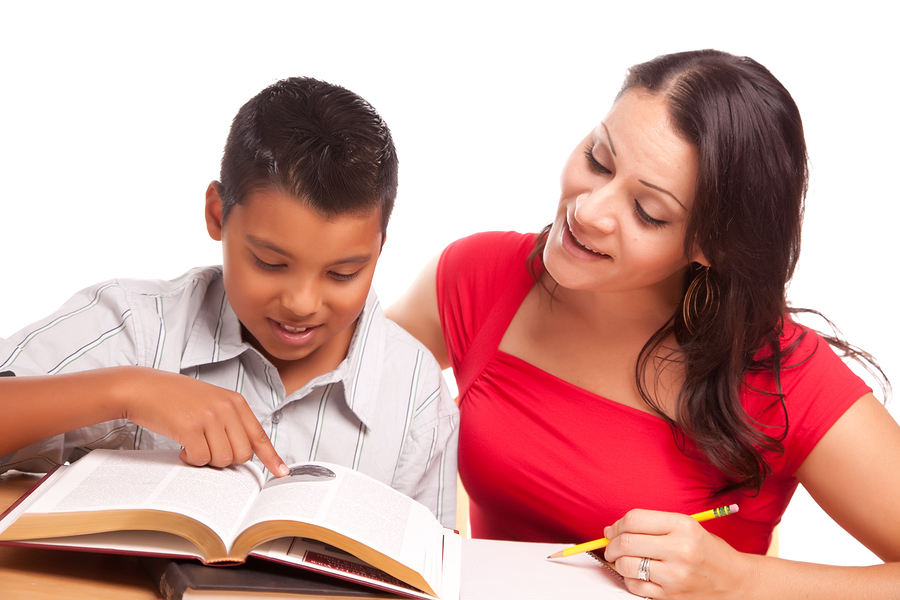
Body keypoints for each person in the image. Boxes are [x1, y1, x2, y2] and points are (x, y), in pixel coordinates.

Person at [387, 49, 900, 597]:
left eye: (648, 212)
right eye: (599, 159)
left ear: (710, 245)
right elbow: (336, 389)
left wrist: (739, 581)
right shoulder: (476, 277)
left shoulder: (782, 377)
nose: (588, 212)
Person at [0, 77, 458, 528]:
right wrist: (128, 391)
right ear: (218, 214)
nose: (301, 303)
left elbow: (428, 567)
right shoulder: (135, 327)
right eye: (269, 263)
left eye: (343, 274)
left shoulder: (417, 397)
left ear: (379, 249)